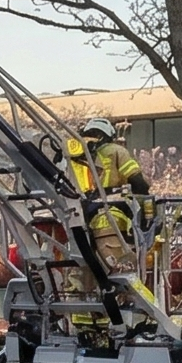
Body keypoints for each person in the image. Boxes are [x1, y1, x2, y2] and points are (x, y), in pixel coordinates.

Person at [71, 117, 150, 289]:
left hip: (76, 217)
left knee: (86, 269)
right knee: (119, 271)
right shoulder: (115, 151)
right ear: (109, 135)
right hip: (111, 216)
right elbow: (137, 182)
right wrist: (146, 200)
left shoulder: (71, 157)